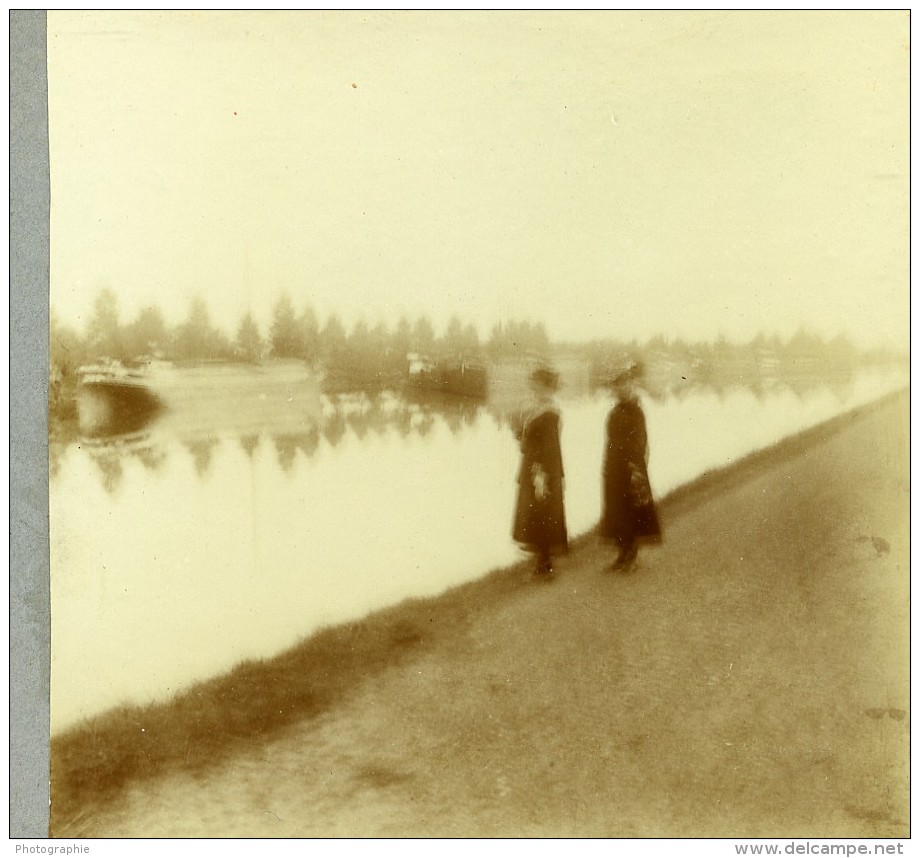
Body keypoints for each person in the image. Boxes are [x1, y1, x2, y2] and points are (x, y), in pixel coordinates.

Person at [600, 362, 661, 572]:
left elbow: (640, 440)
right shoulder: (615, 411)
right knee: (616, 511)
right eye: (615, 386)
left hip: (631, 467)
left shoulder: (636, 410)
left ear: (630, 385)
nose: (619, 389)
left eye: (623, 384)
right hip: (614, 467)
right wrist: (607, 466)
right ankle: (622, 553)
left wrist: (635, 468)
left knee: (630, 511)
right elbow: (610, 440)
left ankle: (632, 555)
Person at [512, 366, 568, 577]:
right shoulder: (534, 409)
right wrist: (519, 433)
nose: (535, 391)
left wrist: (543, 473)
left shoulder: (551, 413)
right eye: (534, 386)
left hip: (543, 469)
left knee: (543, 513)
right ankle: (542, 562)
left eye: (539, 387)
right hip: (532, 466)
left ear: (548, 388)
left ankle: (545, 563)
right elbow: (527, 442)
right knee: (534, 514)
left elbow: (551, 446)